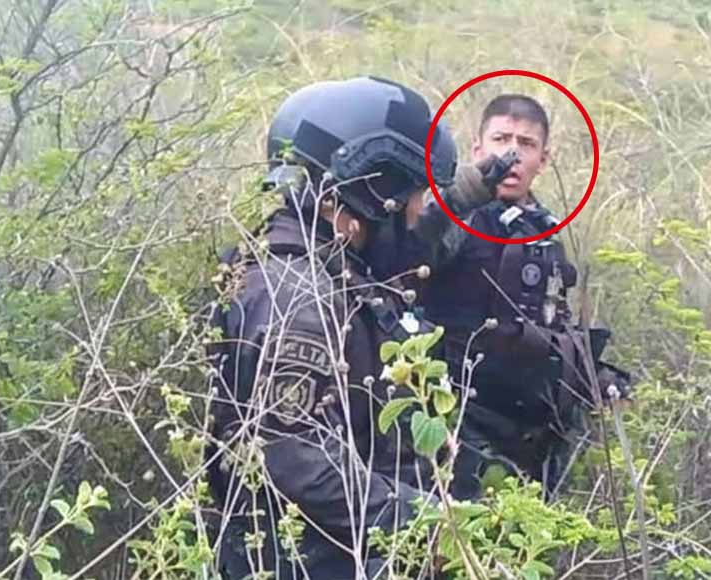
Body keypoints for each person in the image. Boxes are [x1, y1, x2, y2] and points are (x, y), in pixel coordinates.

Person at [203, 77, 512, 580]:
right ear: (371, 192)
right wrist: (426, 525)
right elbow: (293, 454)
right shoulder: (299, 296)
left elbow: (412, 241)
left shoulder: (325, 261)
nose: (418, 209)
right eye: (413, 194)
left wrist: (468, 190)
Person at [406, 94, 631, 500]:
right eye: (501, 139)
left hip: (528, 430)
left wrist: (596, 378)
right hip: (457, 420)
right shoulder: (455, 216)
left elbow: (548, 323)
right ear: (478, 148)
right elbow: (414, 249)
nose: (511, 154)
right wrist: (461, 193)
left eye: (526, 144)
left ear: (543, 159)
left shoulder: (542, 229)